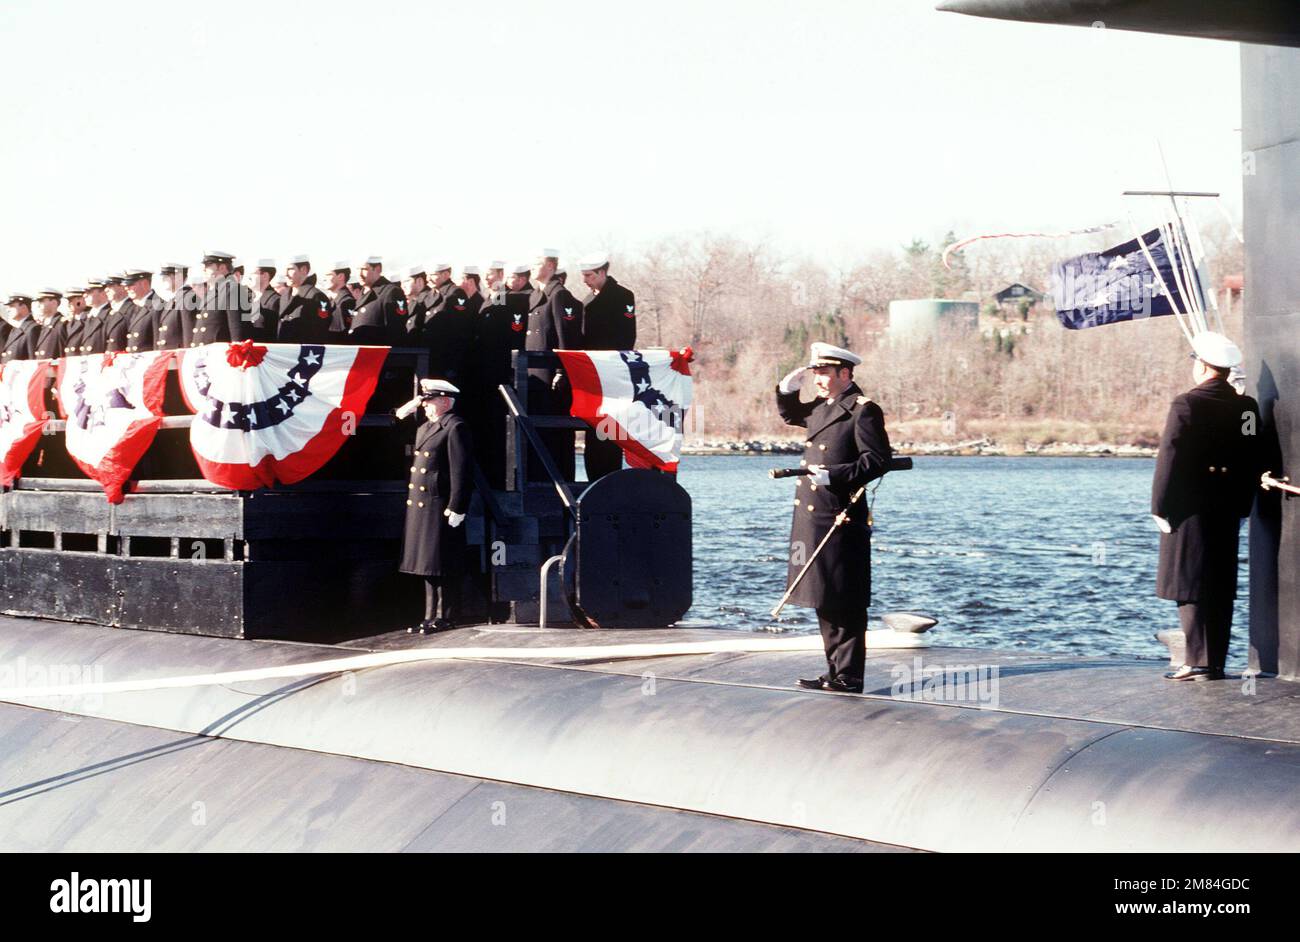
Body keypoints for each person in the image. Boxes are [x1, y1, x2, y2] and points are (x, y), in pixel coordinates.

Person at [777, 342, 893, 693]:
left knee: (845, 596)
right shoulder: (824, 408)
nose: (820, 381)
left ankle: (849, 675)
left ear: (845, 373)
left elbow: (877, 460)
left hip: (841, 516)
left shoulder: (863, 411)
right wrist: (786, 391)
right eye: (816, 374)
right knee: (822, 594)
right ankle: (834, 671)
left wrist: (835, 475)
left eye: (825, 374)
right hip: (813, 517)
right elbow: (791, 415)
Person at [1152, 331, 1264, 681]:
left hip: (1189, 507)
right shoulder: (1246, 408)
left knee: (1187, 582)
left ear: (1202, 366)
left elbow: (1169, 455)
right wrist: (1244, 504)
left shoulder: (1187, 403)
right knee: (1219, 582)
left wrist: (1159, 506)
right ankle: (1213, 661)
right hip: (1227, 508)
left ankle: (1196, 662)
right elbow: (1251, 456)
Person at [396, 378, 473, 635]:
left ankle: (446, 616)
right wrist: (403, 411)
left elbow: (461, 471)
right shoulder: (426, 428)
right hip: (423, 506)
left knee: (443, 563)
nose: (425, 406)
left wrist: (457, 507)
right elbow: (398, 435)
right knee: (427, 565)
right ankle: (429, 616)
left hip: (440, 505)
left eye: (429, 402)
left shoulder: (454, 427)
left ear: (445, 401)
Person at [524, 251, 582, 481]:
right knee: (538, 433)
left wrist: (561, 372)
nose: (532, 267)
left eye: (536, 263)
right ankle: (539, 479)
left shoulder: (559, 296)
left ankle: (558, 481)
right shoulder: (537, 295)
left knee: (555, 435)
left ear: (550, 265)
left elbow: (565, 339)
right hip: (534, 376)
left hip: (551, 378)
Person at [579, 256, 637, 481]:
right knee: (593, 428)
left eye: (589, 275)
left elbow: (626, 336)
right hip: (590, 373)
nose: (585, 280)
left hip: (611, 371)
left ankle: (611, 476)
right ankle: (594, 476)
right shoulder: (587, 300)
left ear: (602, 272)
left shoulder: (622, 296)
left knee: (611, 428)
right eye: (583, 276)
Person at [350, 256, 407, 345]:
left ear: (377, 269)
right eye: (357, 270)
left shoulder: (390, 292)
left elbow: (395, 330)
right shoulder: (363, 292)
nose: (359, 274)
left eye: (364, 269)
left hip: (378, 354)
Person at [277, 256, 333, 344]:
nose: (285, 274)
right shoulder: (285, 295)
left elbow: (320, 331)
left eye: (290, 269)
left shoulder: (317, 297)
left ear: (303, 270)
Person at [122, 269, 163, 353]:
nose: (127, 288)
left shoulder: (157, 305)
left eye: (131, 284)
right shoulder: (135, 308)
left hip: (148, 360)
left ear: (144, 284)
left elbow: (157, 341)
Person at [1, 294, 37, 363]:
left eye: (11, 306)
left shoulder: (33, 328)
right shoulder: (15, 329)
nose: (8, 310)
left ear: (23, 307)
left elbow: (33, 361)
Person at [31, 289, 65, 359]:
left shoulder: (61, 324)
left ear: (54, 303)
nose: (38, 305)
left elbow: (63, 354)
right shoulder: (41, 326)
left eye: (41, 301)